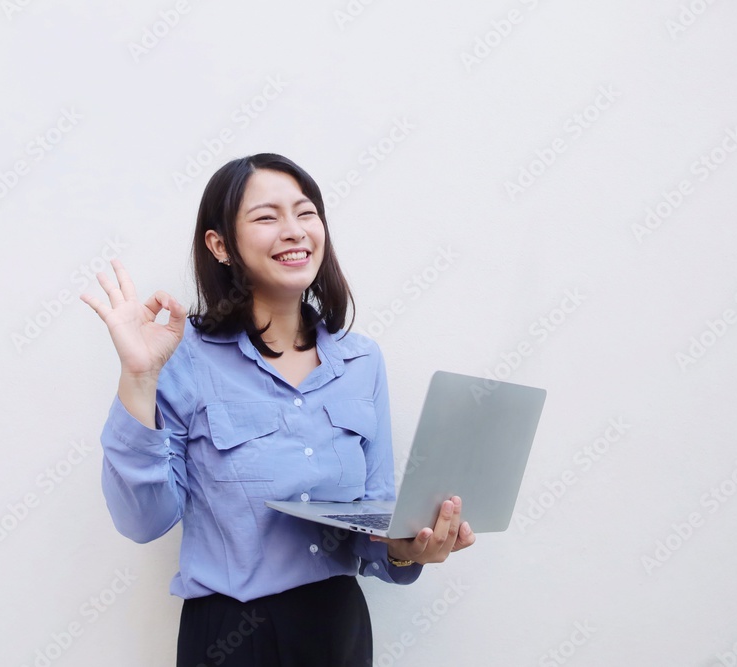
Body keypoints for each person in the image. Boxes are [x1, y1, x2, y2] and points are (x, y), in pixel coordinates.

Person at [80, 153, 475, 666]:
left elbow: (375, 521)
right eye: (267, 217)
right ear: (220, 245)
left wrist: (409, 547)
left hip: (339, 629)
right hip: (230, 637)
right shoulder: (181, 356)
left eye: (305, 213)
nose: (293, 231)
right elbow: (143, 521)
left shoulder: (361, 361)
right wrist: (138, 378)